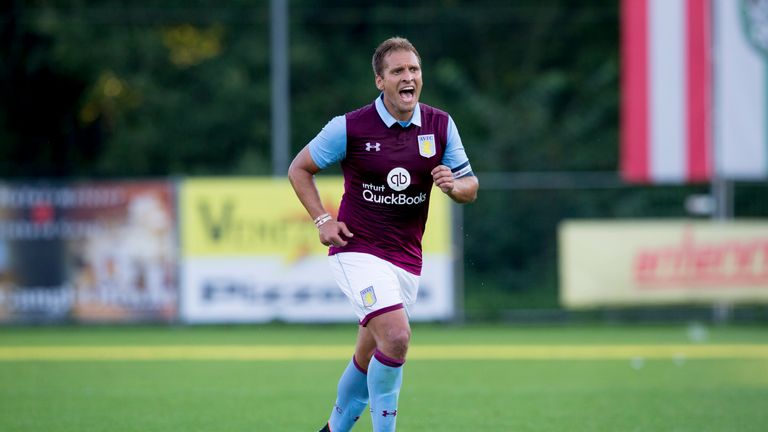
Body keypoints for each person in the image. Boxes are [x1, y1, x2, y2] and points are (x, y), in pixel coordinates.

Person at [288, 36, 478, 432]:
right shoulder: (349, 127)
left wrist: (453, 186)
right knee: (396, 337)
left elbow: (470, 187)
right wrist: (323, 220)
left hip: (405, 259)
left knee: (369, 352)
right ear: (380, 81)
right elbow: (299, 168)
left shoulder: (440, 125)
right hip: (356, 249)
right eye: (398, 71)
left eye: (414, 70)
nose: (408, 77)